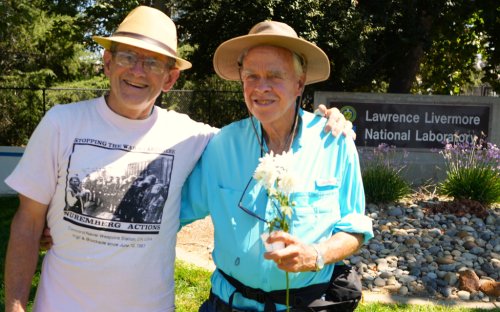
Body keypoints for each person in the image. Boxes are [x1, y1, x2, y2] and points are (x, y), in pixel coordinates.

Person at [4, 6, 352, 312]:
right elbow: (27, 222)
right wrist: (17, 304)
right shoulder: (61, 123)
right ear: (107, 62)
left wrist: (326, 120)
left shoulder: (197, 138)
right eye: (127, 56)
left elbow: (272, 128)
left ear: (170, 78)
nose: (138, 70)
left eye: (153, 62)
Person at [180, 21, 374, 311]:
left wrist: (316, 255)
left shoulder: (334, 142)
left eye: (274, 75)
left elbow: (355, 230)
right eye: (251, 76)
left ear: (299, 83)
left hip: (307, 303)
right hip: (230, 302)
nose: (261, 87)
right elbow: (174, 212)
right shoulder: (221, 145)